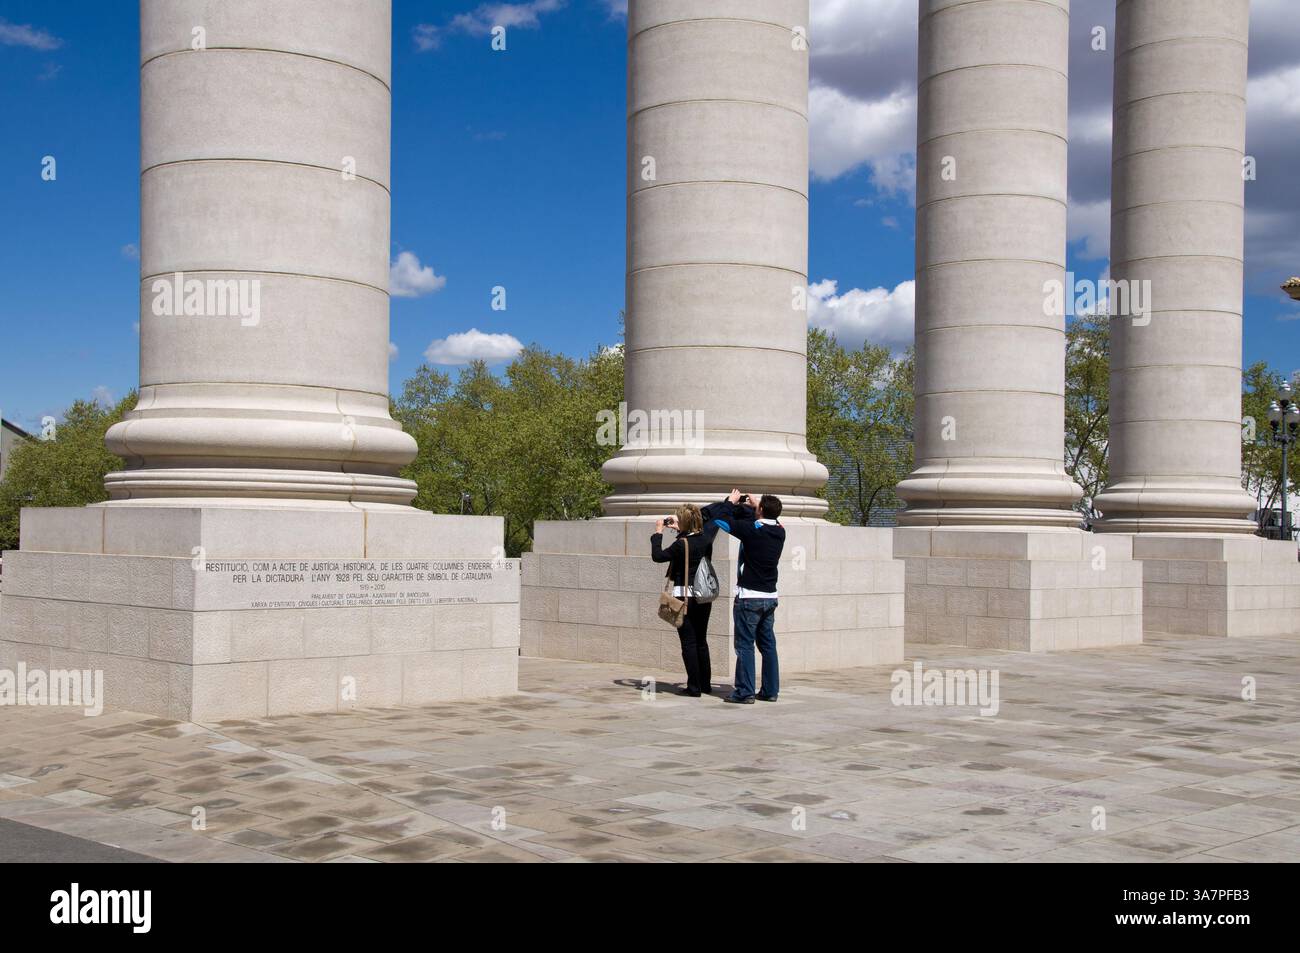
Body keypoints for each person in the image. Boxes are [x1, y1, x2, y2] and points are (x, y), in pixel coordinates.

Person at [703, 488, 784, 704]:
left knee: (745, 645)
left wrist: (730, 502)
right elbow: (768, 519)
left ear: (762, 510)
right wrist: (756, 506)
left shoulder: (751, 530)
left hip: (749, 598)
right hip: (770, 596)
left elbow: (720, 520)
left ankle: (745, 691)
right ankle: (770, 690)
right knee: (768, 645)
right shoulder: (780, 531)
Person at [650, 503, 719, 697]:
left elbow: (658, 556)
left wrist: (658, 533)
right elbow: (695, 547)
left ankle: (694, 687)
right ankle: (705, 684)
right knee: (701, 641)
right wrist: (682, 530)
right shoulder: (706, 539)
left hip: (684, 596)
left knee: (688, 642)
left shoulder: (681, 544)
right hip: (703, 596)